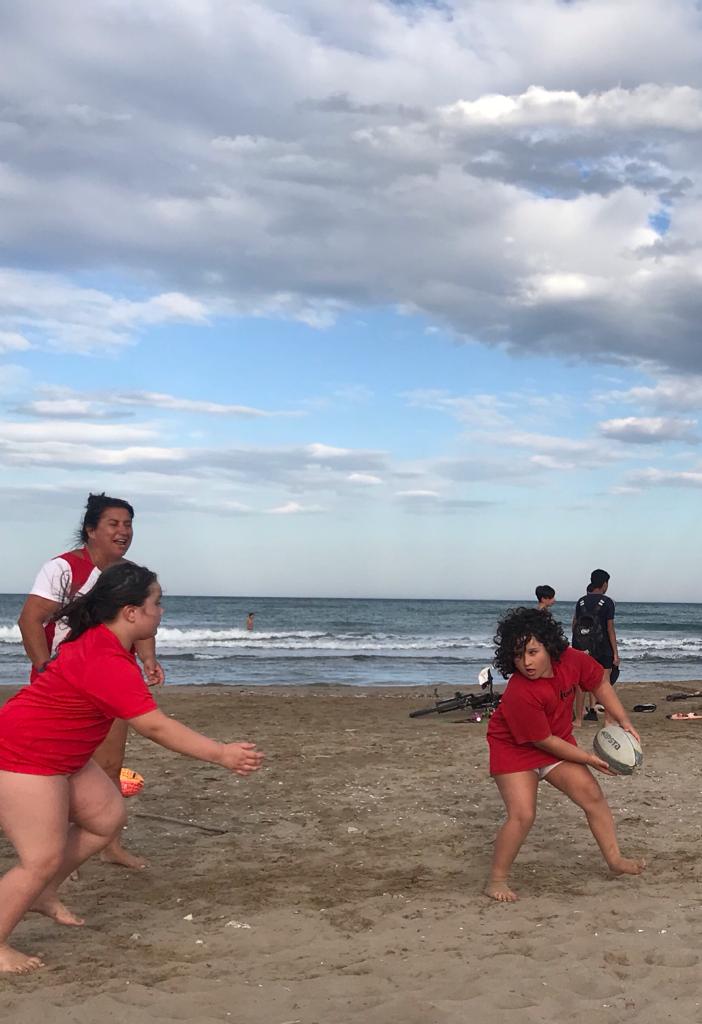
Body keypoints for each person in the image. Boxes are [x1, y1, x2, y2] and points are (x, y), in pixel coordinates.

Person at [0, 562, 264, 975]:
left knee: (106, 818)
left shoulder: (106, 645)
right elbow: (155, 726)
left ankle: (41, 893)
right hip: (25, 754)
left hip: (63, 755)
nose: (161, 612)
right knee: (40, 858)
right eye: (156, 603)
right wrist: (222, 754)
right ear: (130, 612)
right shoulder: (106, 659)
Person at [17, 493, 164, 869]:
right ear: (91, 530)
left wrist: (148, 660)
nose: (123, 531)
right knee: (61, 769)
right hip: (65, 687)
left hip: (112, 682)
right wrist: (43, 664)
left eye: (128, 524)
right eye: (114, 524)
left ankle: (110, 846)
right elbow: (30, 620)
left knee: (111, 764)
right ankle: (53, 850)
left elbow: (139, 622)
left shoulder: (129, 574)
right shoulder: (62, 569)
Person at [485, 607, 644, 903]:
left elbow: (600, 684)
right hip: (515, 748)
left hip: (556, 740)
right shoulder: (520, 692)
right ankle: (496, 879)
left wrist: (624, 720)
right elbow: (543, 741)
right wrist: (589, 758)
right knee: (523, 815)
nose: (527, 663)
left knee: (592, 796)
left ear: (549, 645)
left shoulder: (572, 660)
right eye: (518, 656)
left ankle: (615, 859)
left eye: (533, 652)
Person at [572, 569, 620, 727]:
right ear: (604, 583)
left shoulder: (581, 601)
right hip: (603, 647)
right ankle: (607, 721)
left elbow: (574, 624)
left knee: (580, 684)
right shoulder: (607, 602)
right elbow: (610, 628)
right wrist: (615, 653)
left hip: (581, 647)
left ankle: (578, 720)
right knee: (605, 683)